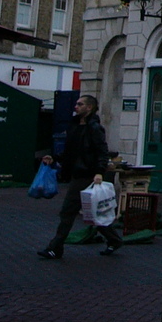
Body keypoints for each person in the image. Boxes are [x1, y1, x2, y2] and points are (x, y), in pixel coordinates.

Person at [36, 95, 123, 259]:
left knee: (68, 211)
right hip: (77, 173)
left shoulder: (94, 128)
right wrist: (55, 158)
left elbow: (102, 151)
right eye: (76, 104)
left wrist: (99, 172)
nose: (76, 106)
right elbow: (71, 151)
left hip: (87, 175)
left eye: (80, 104)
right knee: (94, 211)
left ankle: (55, 247)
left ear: (89, 107)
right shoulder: (75, 125)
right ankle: (114, 239)